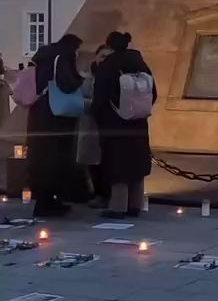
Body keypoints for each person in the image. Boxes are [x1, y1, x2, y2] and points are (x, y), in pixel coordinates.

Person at [93, 31, 156, 218]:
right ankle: (135, 204)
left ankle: (118, 206)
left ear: (110, 45)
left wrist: (102, 119)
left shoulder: (108, 65)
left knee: (117, 163)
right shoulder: (140, 63)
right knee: (136, 163)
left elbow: (100, 98)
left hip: (115, 123)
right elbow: (153, 92)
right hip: (138, 122)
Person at [26, 34, 85, 219]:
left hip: (39, 114)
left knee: (41, 158)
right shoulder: (63, 57)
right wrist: (80, 79)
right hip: (56, 116)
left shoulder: (42, 56)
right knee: (56, 158)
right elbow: (67, 83)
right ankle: (49, 203)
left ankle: (44, 201)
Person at [77, 44, 112, 207]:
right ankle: (96, 192)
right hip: (89, 124)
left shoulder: (114, 77)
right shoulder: (85, 77)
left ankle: (106, 194)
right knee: (91, 161)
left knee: (107, 161)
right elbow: (78, 98)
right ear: (96, 57)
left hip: (107, 125)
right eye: (102, 56)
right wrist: (92, 103)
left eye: (108, 57)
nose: (105, 60)